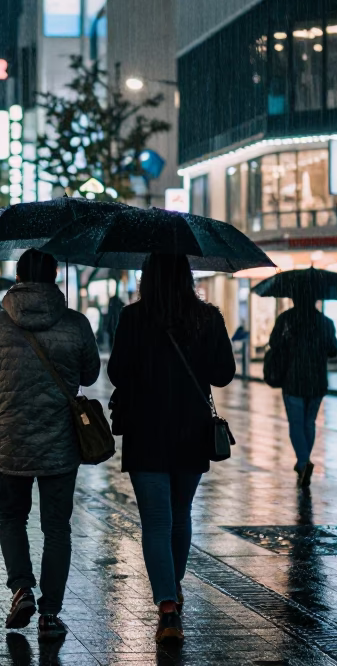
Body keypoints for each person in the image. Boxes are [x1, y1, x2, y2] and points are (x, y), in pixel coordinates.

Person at [0, 249, 100, 641]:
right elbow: (91, 374)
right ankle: (50, 612)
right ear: (55, 278)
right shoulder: (75, 323)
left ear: (17, 276)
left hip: (11, 440)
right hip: (61, 440)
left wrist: (8, 391)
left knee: (12, 517)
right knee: (57, 526)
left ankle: (21, 589)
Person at [107, 253, 235, 644]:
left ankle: (166, 608)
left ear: (147, 277)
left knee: (156, 523)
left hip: (146, 430)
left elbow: (116, 372)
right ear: (186, 277)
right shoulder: (207, 318)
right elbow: (224, 373)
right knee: (180, 514)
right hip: (191, 430)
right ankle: (171, 591)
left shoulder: (133, 318)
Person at [267, 292, 337, 488]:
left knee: (296, 424)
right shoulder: (325, 322)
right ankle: (304, 460)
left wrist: (289, 341)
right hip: (316, 380)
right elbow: (334, 349)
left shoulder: (286, 319)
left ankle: (303, 461)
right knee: (309, 422)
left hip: (293, 379)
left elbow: (273, 343)